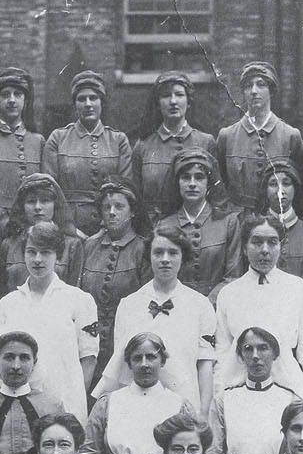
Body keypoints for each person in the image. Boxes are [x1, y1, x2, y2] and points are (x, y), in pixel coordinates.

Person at [81, 333, 197, 454]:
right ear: (128, 363)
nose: (144, 364)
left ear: (162, 361)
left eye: (151, 357)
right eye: (137, 358)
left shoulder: (179, 405)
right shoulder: (108, 403)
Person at [211, 214, 303, 401]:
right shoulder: (229, 293)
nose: (265, 250)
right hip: (238, 390)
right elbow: (222, 352)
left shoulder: (296, 288)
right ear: (244, 248)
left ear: (281, 247)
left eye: (272, 242)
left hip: (287, 388)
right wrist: (219, 394)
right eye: (256, 242)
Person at [105, 227, 216, 414]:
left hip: (184, 404)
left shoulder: (200, 305)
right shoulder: (129, 304)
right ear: (149, 256)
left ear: (183, 257)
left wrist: (203, 413)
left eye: (173, 253)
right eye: (158, 252)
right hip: (138, 405)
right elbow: (123, 365)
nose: (165, 259)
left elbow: (205, 364)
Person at [0, 221, 97, 422]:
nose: (37, 259)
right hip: (18, 407)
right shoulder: (8, 304)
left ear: (58, 255)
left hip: (64, 406)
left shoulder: (79, 300)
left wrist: (72, 401)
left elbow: (88, 358)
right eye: (31, 251)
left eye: (45, 252)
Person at [205, 327, 303, 454]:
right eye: (248, 349)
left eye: (263, 348)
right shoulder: (224, 400)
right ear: (241, 355)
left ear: (275, 354)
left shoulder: (291, 400)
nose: (256, 355)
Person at [75, 181, 151, 379]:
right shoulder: (89, 246)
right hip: (90, 343)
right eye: (106, 207)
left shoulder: (143, 249)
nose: (112, 212)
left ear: (132, 211)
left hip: (125, 342)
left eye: (119, 206)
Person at [43, 71, 132, 236]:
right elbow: (49, 191)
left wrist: (107, 228)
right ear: (74, 104)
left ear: (102, 102)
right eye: (81, 99)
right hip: (67, 230)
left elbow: (125, 191)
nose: (88, 104)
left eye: (93, 98)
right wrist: (70, 229)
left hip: (109, 230)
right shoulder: (58, 138)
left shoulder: (119, 140)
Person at [212, 62, 303, 211]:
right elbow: (219, 183)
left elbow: (299, 186)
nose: (254, 91)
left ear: (271, 90)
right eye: (248, 86)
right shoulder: (227, 136)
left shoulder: (290, 136)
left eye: (261, 85)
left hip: (277, 221)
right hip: (237, 220)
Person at [152, 147, 238, 299]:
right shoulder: (163, 225)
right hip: (176, 308)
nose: (192, 184)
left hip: (217, 307)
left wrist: (207, 304)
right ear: (177, 182)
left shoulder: (228, 222)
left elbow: (233, 276)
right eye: (186, 177)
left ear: (208, 183)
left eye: (199, 177)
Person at [130, 71, 214, 226]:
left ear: (189, 102)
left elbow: (215, 197)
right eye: (166, 96)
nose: (173, 101)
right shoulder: (143, 146)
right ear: (157, 103)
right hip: (153, 229)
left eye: (179, 95)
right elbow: (134, 197)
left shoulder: (205, 142)